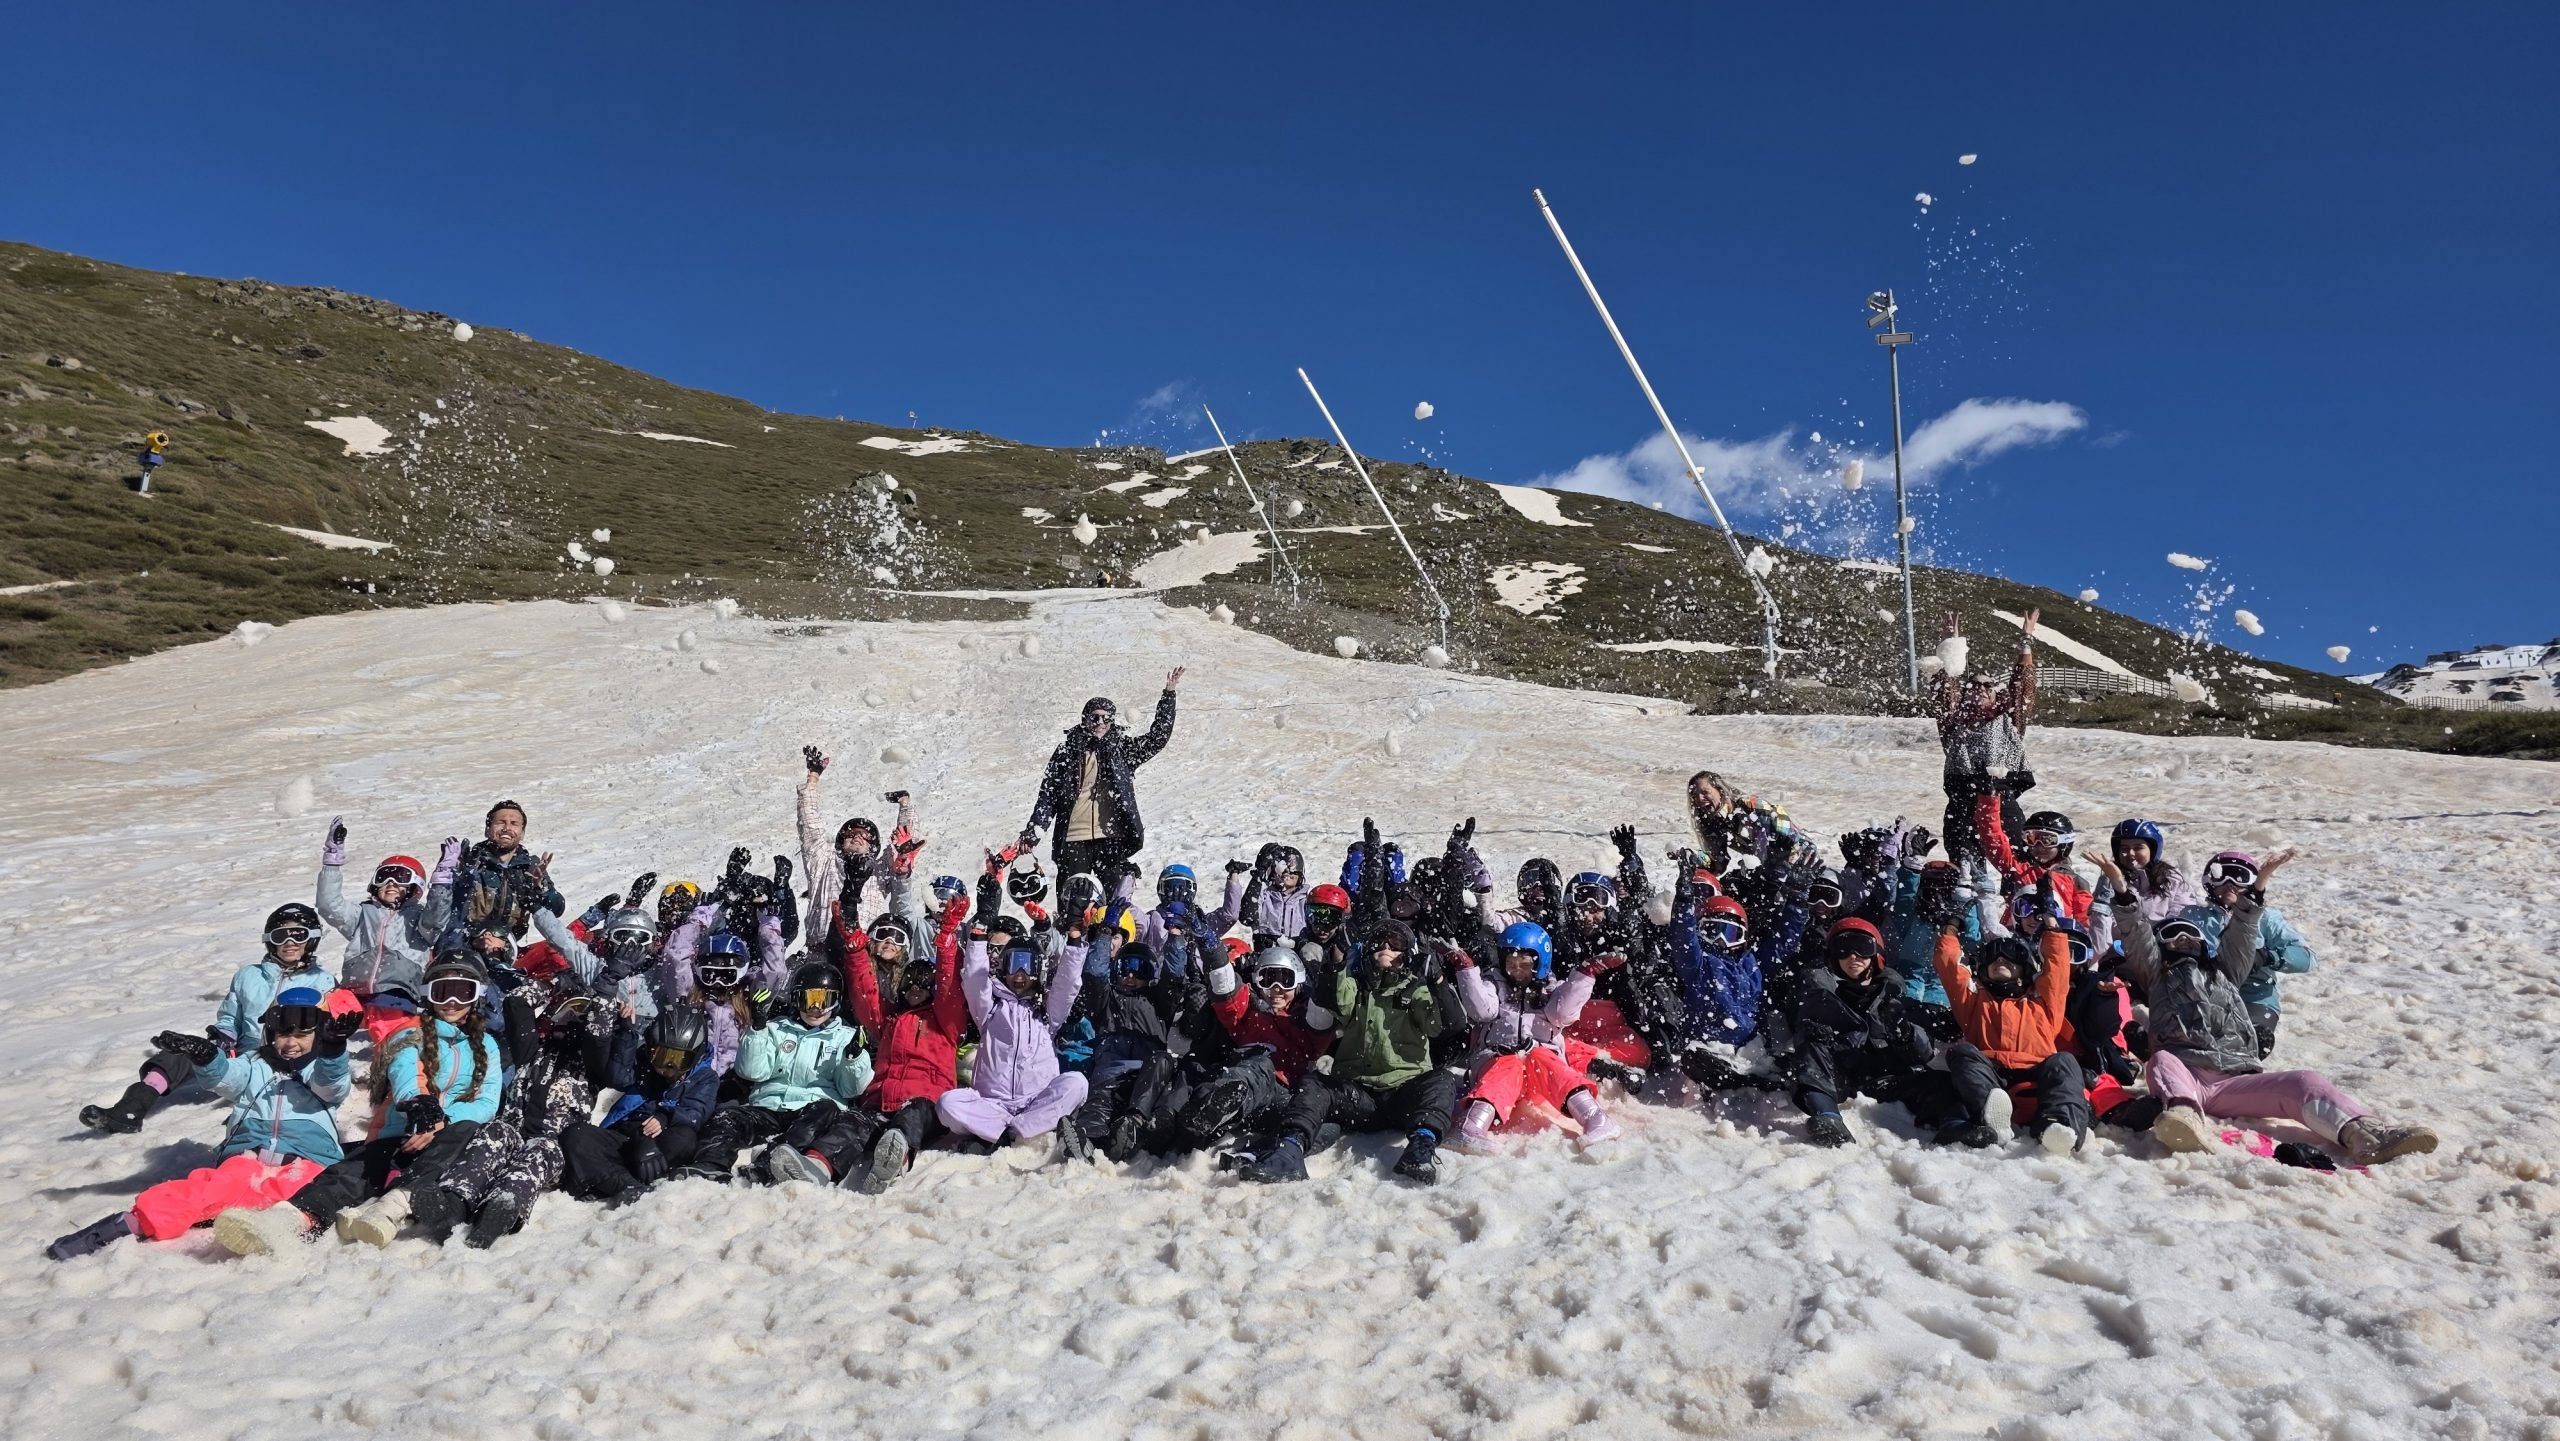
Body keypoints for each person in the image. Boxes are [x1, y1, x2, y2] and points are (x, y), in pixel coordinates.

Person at [2096, 848, 2435, 1163]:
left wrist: (2259, 885)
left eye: (2188, 935)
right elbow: (2136, 933)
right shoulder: (2157, 974)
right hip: (2187, 1072)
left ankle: (2366, 1134)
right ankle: (2183, 1116)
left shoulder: (2226, 971)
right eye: (2171, 936)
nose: (2181, 940)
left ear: (2203, 946)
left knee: (2305, 1080)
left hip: (2235, 1078)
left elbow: (2242, 932)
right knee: (2162, 1060)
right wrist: (2121, 889)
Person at [213, 952, 506, 1253]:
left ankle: (390, 1207)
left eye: (463, 992)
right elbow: (405, 1069)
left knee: (464, 1130)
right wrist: (417, 1103)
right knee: (353, 1172)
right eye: (442, 992)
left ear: (477, 996)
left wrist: (441, 1121)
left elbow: (487, 1100)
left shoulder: (487, 1046)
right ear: (427, 994)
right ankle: (290, 1218)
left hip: (450, 1137)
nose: (452, 1002)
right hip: (402, 1131)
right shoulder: (409, 1032)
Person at [48, 988, 358, 1260]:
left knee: (303, 1193)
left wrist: (333, 1051)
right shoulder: (255, 1064)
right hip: (248, 1157)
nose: (290, 1043)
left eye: (302, 1035)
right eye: (283, 1034)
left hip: (306, 1159)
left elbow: (331, 1088)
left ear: (319, 1035)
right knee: (205, 1190)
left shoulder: (322, 1068)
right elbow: (225, 1079)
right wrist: (207, 1058)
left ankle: (274, 1227)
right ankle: (127, 1225)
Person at [79, 902, 338, 1135]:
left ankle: (255, 1118)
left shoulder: (322, 981)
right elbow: (230, 1016)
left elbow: (327, 1028)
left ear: (312, 939)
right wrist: (223, 1036)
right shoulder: (249, 976)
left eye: (299, 935)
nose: (290, 942)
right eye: (281, 935)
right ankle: (130, 1109)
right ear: (270, 940)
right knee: (186, 1051)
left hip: (291, 1057)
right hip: (247, 1055)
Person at [1245, 918, 1454, 1186]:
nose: (1386, 948)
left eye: (1395, 944)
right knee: (1315, 1084)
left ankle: (1421, 1148)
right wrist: (1337, 961)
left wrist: (1437, 982)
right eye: (1379, 943)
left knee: (1442, 1080)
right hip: (1359, 1096)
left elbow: (1444, 1025)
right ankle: (1289, 1150)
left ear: (1407, 953)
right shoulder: (1356, 985)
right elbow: (1332, 998)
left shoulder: (1418, 989)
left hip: (1404, 1095)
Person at [415, 984, 620, 1248]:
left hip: (554, 1145)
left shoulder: (592, 1065)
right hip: (512, 1131)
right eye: (566, 1012)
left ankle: (497, 1214)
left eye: (580, 1014)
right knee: (493, 1133)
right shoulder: (532, 1051)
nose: (572, 1019)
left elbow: (599, 1035)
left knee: (538, 1152)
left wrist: (605, 992)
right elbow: (515, 1003)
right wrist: (550, 986)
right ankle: (452, 1207)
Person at [1776, 919, 1959, 1147]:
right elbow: (1801, 1039)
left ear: (1876, 955)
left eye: (1862, 947)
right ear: (1832, 957)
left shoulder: (1896, 998)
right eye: (1843, 949)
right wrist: (1821, 1037)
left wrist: (1904, 1032)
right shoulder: (1818, 998)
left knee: (1945, 1082)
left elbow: (1924, 1054)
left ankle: (1956, 1125)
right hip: (1843, 1081)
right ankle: (1828, 1118)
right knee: (1809, 1049)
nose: (1853, 956)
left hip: (1891, 1081)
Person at [1446, 921, 1623, 1154]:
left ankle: (1596, 1119)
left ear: (1540, 963)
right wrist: (1466, 969)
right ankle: (1469, 1127)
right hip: (1497, 1066)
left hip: (1541, 1078)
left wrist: (1585, 974)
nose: (1517, 970)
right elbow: (1481, 1011)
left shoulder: (1551, 989)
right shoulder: (1494, 983)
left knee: (1542, 1057)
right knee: (1509, 1063)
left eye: (1525, 965)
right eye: (1511, 964)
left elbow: (1562, 1014)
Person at [693, 960, 874, 1185]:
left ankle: (770, 1162)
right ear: (795, 1000)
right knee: (727, 1117)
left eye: (823, 1000)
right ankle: (710, 1165)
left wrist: (853, 1058)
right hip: (769, 1106)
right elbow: (752, 1072)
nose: (815, 1008)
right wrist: (757, 1029)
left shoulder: (844, 1037)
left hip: (813, 1110)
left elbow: (850, 1089)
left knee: (825, 1109)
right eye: (807, 1000)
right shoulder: (777, 1029)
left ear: (835, 1002)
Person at [1932, 896, 2088, 1154]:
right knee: (1962, 1053)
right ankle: (1990, 1116)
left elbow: (2057, 969)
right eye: (1993, 960)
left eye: (2009, 960)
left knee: (2064, 1061)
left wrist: (2051, 926)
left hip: (2036, 1075)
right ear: (1983, 971)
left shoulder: (2042, 1002)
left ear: (2023, 970)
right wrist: (1951, 928)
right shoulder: (1974, 1002)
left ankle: (2058, 1126)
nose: (2000, 962)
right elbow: (1949, 968)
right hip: (1990, 1077)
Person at [937, 907, 1092, 1158]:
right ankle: (1019, 1130)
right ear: (1002, 967)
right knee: (947, 1104)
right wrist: (977, 938)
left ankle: (1002, 1132)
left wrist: (1074, 941)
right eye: (1014, 964)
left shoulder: (1047, 1012)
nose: (1020, 974)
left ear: (1038, 970)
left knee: (1077, 1083)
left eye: (1027, 965)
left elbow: (1067, 985)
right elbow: (975, 981)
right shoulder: (989, 1009)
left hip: (1035, 1101)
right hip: (992, 1104)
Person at [1020, 670, 1183, 879]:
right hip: (1073, 839)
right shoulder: (1067, 752)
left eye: (1106, 718)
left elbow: (1157, 739)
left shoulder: (1122, 750)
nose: (1100, 722)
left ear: (1112, 721)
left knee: (1113, 898)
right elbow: (1048, 796)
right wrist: (1033, 833)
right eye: (1095, 717)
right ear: (1085, 719)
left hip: (1110, 838)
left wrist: (1169, 694)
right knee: (1073, 897)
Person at [1174, 943, 1335, 1153]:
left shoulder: (1305, 1018)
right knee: (1261, 1064)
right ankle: (1216, 1108)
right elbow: (1227, 990)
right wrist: (1211, 947)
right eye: (1268, 979)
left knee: (1326, 1126)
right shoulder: (1250, 1012)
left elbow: (1321, 1021)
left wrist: (1325, 982)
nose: (1276, 989)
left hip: (1280, 1096)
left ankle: (1263, 1152)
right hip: (1247, 1085)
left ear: (1298, 982)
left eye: (1285, 980)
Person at [558, 1003, 720, 1202]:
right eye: (662, 1056)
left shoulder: (705, 1078)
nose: (669, 1067)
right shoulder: (644, 1063)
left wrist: (665, 1117)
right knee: (576, 1135)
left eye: (681, 1059)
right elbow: (618, 1078)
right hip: (626, 1137)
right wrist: (626, 1032)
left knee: (684, 1139)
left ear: (696, 1055)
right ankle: (627, 1185)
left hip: (662, 1140)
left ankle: (609, 1181)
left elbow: (696, 1112)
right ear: (651, 1047)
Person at [313, 815, 445, 1041]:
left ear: (416, 886)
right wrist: (331, 862)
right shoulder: (362, 914)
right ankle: (328, 1051)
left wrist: (442, 882)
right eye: (384, 877)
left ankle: (389, 1051)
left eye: (400, 877)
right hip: (355, 990)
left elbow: (436, 919)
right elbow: (329, 905)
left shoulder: (419, 918)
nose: (390, 883)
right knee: (327, 1010)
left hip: (397, 992)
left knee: (386, 1025)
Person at [1930, 610, 2038, 864]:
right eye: (1974, 685)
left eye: (1987, 685)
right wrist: (1950, 645)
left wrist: (2026, 639)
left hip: (2003, 803)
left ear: (1995, 693)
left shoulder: (2009, 719)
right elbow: (1945, 690)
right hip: (1962, 805)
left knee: (2016, 866)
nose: (1980, 688)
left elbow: (2023, 687)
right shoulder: (1954, 721)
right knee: (1964, 873)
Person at [2188, 850, 2317, 1058]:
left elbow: (2307, 958)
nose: (2230, 884)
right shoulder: (2194, 916)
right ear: (2209, 882)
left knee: (2250, 1041)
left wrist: (2266, 956)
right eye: (2221, 876)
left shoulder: (2266, 918)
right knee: (2198, 1041)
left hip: (2255, 996)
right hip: (2207, 995)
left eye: (2240, 877)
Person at [445, 801, 564, 945]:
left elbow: (557, 909)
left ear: (522, 833)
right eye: (500, 822)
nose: (507, 828)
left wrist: (540, 888)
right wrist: (455, 875)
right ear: (487, 830)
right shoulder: (471, 862)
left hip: (507, 946)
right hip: (466, 944)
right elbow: (443, 909)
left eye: (514, 824)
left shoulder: (530, 867)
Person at [2107, 818, 2199, 923]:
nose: (2130, 853)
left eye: (2138, 848)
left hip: (2165, 932)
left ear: (2153, 850)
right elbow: (2105, 920)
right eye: (2124, 849)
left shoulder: (2172, 878)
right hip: (2125, 933)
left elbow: (2183, 915)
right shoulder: (2110, 879)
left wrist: (2166, 930)